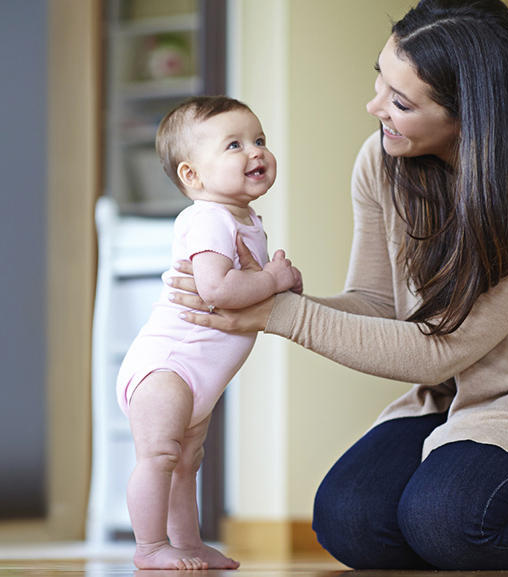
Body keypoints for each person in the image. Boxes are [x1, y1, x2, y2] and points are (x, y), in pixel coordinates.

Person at [168, 0, 508, 571]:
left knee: (447, 522)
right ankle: (496, 504)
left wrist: (275, 314)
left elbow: (443, 346)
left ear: (470, 115)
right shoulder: (382, 160)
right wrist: (267, 298)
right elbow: (377, 304)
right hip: (463, 390)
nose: (374, 106)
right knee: (349, 523)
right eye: (380, 80)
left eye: (401, 102)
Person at [116, 96, 302, 570]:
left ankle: (188, 543)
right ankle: (150, 547)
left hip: (196, 374)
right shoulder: (207, 218)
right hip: (168, 367)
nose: (255, 152)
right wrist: (274, 281)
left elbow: (250, 298)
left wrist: (277, 288)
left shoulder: (244, 219)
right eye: (234, 145)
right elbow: (217, 289)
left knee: (185, 464)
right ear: (192, 176)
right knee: (159, 455)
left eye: (259, 140)